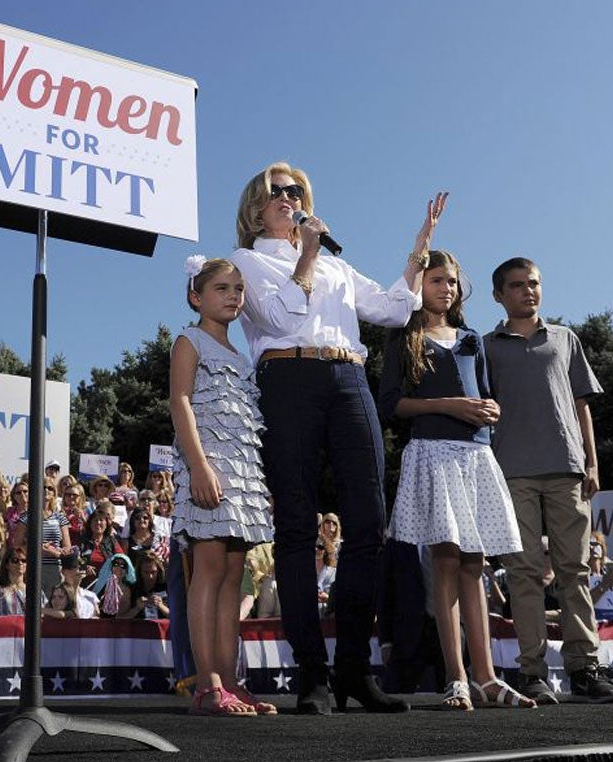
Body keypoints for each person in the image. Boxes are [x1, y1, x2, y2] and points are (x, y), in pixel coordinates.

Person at [229, 162, 433, 714]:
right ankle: (312, 675)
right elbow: (274, 317)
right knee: (296, 526)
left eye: (297, 191)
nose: (289, 198)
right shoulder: (246, 262)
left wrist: (418, 254)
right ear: (256, 205)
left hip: (348, 379)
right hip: (287, 378)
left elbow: (393, 309)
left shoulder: (338, 267)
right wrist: (308, 255)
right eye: (278, 192)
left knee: (369, 523)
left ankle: (353, 671)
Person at [379, 249, 533, 711]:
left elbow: (485, 395)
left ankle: (486, 676)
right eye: (436, 280)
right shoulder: (402, 338)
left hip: (476, 455)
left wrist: (490, 409)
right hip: (432, 452)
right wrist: (450, 405)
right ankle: (457, 676)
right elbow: (392, 404)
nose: (445, 288)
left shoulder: (471, 339)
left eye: (451, 281)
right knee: (445, 561)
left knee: (474, 563)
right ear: (418, 286)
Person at [484, 256, 613, 705]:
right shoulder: (485, 347)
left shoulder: (565, 338)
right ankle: (532, 673)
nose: (528, 291)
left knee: (575, 572)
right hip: (511, 472)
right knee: (524, 573)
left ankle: (586, 670)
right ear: (499, 295)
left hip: (568, 468)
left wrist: (593, 462)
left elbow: (582, 404)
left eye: (534, 283)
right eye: (517, 285)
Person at [170, 255, 275, 717]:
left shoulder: (242, 355)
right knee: (209, 569)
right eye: (221, 289)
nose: (233, 296)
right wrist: (198, 466)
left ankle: (232, 680)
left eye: (238, 289)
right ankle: (207, 683)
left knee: (235, 575)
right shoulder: (188, 341)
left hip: (242, 472)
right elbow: (181, 402)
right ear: (196, 296)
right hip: (208, 466)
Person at [11, 480, 70, 599]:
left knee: (54, 604)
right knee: (35, 605)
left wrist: (55, 553)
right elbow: (16, 544)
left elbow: (67, 547)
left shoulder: (60, 517)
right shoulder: (27, 516)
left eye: (50, 488)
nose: (46, 490)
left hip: (55, 569)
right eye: (43, 487)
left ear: (54, 493)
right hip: (34, 567)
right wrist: (38, 550)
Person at [78, 503, 124, 587]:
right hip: (84, 585)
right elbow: (74, 560)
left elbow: (122, 560)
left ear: (107, 524)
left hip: (107, 586)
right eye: (95, 520)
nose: (98, 523)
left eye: (101, 520)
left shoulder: (112, 541)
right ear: (90, 523)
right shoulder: (82, 541)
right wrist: (84, 567)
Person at [121, 551, 170, 620]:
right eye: (146, 572)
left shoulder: (167, 587)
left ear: (158, 571)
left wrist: (161, 606)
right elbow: (120, 619)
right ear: (140, 572)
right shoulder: (131, 589)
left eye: (153, 572)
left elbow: (177, 617)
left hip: (162, 629)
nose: (150, 576)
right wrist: (137, 608)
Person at [92, 552, 136, 619]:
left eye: (123, 565)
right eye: (115, 564)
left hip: (118, 624)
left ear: (127, 570)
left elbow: (123, 615)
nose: (118, 567)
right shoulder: (102, 584)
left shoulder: (128, 589)